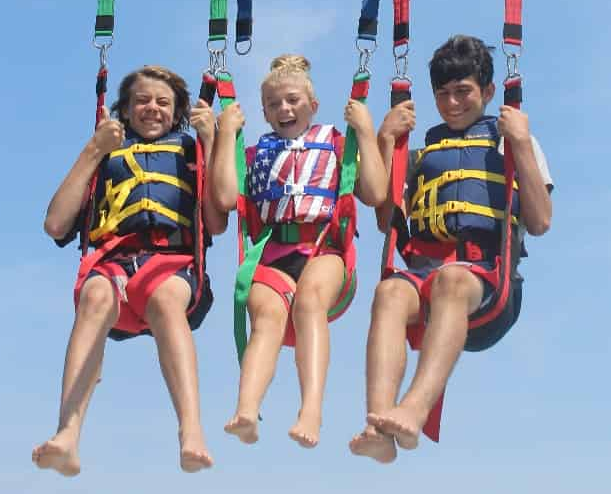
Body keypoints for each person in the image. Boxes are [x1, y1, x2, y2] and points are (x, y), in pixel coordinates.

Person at [350, 35, 553, 463]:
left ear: (489, 92)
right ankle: (378, 424)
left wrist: (520, 143)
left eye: (463, 92)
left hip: (485, 284)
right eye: (443, 94)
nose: (452, 103)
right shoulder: (424, 154)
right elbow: (386, 221)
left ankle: (415, 408)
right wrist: (385, 140)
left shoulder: (510, 142)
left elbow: (540, 221)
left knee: (451, 279)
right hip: (423, 273)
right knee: (388, 291)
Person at [33, 65, 226, 476]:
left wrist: (212, 142)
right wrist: (93, 149)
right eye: (141, 100)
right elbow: (55, 224)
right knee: (95, 295)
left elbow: (218, 221)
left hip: (172, 265)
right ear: (124, 108)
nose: (151, 108)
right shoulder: (105, 154)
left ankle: (191, 430)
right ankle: (68, 433)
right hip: (113, 264)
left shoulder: (191, 151)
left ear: (177, 113)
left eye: (162, 102)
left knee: (165, 298)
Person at [209, 54, 387, 448]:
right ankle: (246, 410)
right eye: (273, 105)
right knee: (267, 318)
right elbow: (223, 198)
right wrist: (225, 135)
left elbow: (375, 193)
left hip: (324, 249)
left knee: (308, 303)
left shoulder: (338, 144)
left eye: (292, 100)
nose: (283, 109)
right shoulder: (254, 155)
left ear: (313, 105)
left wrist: (367, 132)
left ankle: (311, 411)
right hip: (272, 253)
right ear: (265, 113)